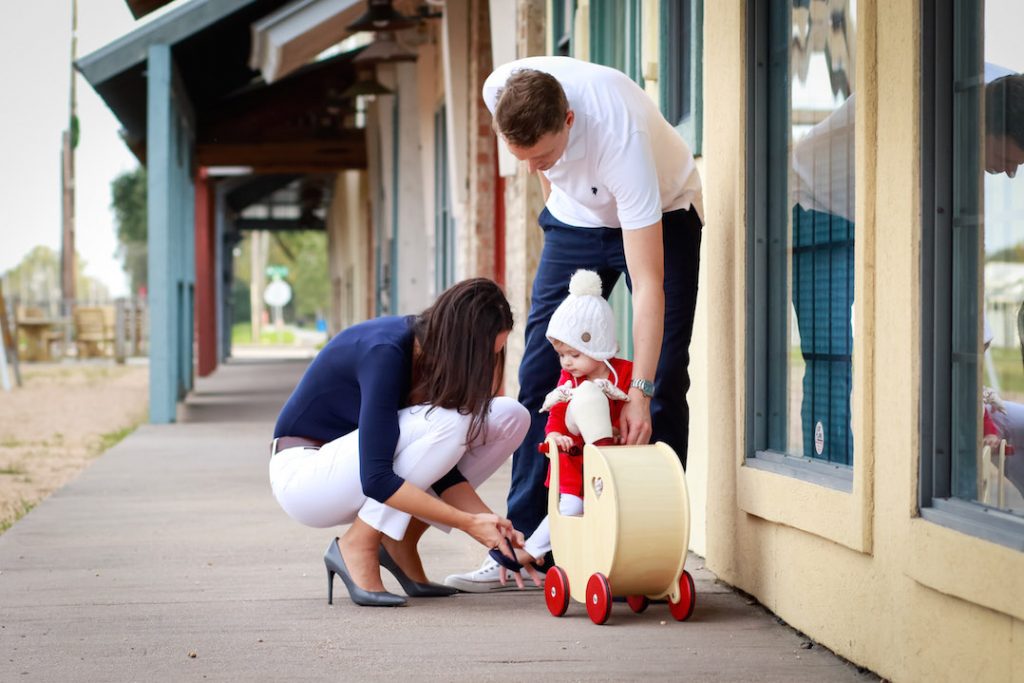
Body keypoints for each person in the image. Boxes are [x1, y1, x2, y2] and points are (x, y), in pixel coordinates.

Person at [445, 56, 704, 591]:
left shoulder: (618, 137)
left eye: (542, 155)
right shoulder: (500, 89)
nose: (536, 166)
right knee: (542, 375)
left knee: (664, 384)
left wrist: (637, 391)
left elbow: (648, 287)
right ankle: (519, 551)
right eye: (524, 158)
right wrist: (558, 195)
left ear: (568, 119)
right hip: (574, 223)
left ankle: (651, 556)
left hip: (665, 216)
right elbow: (544, 177)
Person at [268, 278, 539, 608]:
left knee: (511, 415)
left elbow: (439, 469)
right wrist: (468, 524)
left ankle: (401, 541)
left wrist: (498, 534)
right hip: (306, 475)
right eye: (484, 355)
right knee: (452, 421)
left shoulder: (431, 355)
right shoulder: (385, 352)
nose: (486, 366)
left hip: (349, 470)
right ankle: (357, 544)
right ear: (462, 346)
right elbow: (377, 477)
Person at [445, 270, 632, 589]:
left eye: (574, 354)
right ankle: (531, 552)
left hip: (615, 462)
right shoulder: (569, 382)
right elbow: (557, 412)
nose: (567, 363)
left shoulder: (624, 373)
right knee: (570, 506)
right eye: (561, 355)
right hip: (575, 461)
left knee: (616, 510)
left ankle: (617, 561)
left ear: (599, 347)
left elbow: (629, 405)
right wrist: (554, 434)